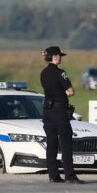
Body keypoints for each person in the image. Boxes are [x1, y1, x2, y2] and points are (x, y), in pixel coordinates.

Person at [39, 45, 82, 184]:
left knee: (51, 142)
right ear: (55, 57)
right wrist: (66, 92)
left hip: (47, 110)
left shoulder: (43, 73)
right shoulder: (60, 73)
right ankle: (70, 175)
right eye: (59, 56)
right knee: (66, 142)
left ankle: (53, 175)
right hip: (59, 111)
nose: (60, 58)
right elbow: (71, 91)